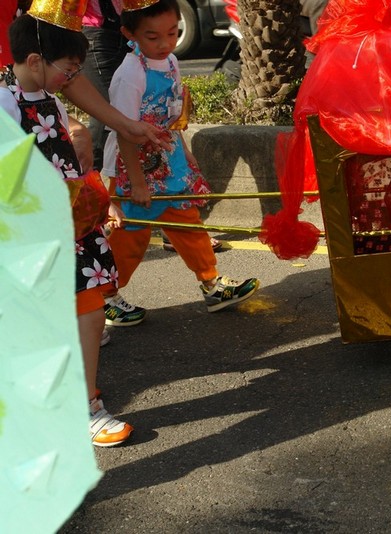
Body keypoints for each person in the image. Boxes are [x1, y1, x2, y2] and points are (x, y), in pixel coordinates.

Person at [2, 12, 132, 446]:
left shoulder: (52, 103)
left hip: (70, 231)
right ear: (34, 60)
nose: (72, 78)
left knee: (90, 314)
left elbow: (71, 168)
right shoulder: (4, 105)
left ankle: (85, 405)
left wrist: (101, 199)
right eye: (69, 69)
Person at [104, 0, 260, 314]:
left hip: (169, 163)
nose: (165, 43)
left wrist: (185, 153)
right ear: (129, 34)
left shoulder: (171, 61)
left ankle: (211, 284)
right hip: (134, 168)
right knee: (129, 239)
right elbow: (124, 132)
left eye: (173, 33)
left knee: (189, 225)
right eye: (153, 37)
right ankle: (104, 297)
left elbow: (173, 114)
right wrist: (137, 183)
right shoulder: (130, 75)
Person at [82, 0, 129, 172]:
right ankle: (88, 175)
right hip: (94, 34)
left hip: (125, 32)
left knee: (121, 108)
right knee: (107, 111)